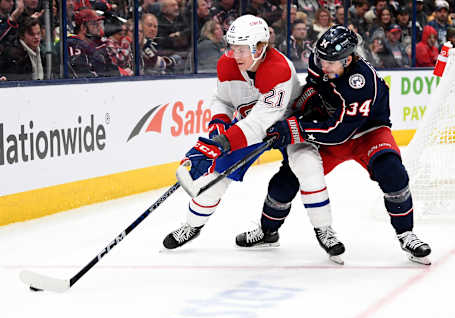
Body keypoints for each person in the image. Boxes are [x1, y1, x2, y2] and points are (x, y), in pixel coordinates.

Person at [236, 25, 432, 265]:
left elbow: (338, 132)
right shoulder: (321, 62)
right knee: (288, 176)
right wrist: (299, 108)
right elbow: (314, 87)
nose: (323, 66)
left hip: (366, 132)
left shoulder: (362, 82)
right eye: (321, 59)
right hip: (332, 126)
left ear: (348, 59)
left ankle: (406, 234)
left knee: (392, 172)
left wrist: (295, 129)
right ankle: (268, 231)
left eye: (331, 62)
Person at [163, 15, 342, 263]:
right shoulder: (227, 64)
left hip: (287, 125)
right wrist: (219, 123)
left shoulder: (278, 69)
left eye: (241, 49)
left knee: (307, 166)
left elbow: (259, 124)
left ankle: (324, 229)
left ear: (260, 47)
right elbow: (223, 100)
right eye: (232, 47)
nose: (234, 55)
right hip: (249, 125)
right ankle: (192, 226)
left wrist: (218, 144)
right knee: (217, 174)